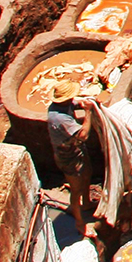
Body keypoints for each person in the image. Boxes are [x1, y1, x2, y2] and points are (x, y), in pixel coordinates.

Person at [47, 78, 94, 234]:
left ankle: (86, 204)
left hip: (76, 148)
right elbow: (83, 135)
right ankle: (79, 223)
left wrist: (85, 102)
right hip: (67, 156)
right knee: (76, 188)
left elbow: (75, 103)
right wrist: (88, 112)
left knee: (86, 174)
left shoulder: (64, 105)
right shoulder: (59, 118)